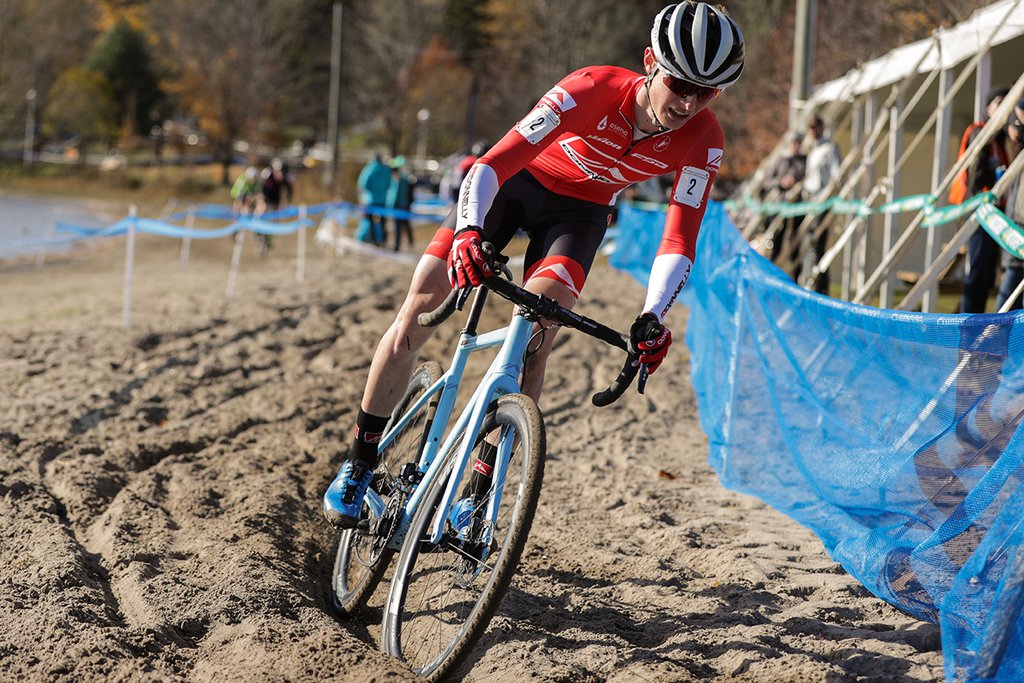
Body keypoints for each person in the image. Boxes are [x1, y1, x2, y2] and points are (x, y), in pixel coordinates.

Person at [323, 1, 745, 529]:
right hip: (513, 185)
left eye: (705, 93)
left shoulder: (704, 138)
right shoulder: (589, 89)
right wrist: (469, 233)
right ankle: (360, 462)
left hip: (578, 214)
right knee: (421, 305)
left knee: (536, 336)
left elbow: (680, 236)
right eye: (679, 84)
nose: (687, 102)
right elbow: (491, 165)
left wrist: (653, 315)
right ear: (649, 63)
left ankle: (478, 493)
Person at [958, 87, 1011, 313]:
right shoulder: (980, 133)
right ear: (988, 108)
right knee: (978, 274)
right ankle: (969, 325)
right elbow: (976, 177)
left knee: (988, 275)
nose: (1004, 107)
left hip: (997, 213)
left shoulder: (1001, 139)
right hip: (981, 211)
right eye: (999, 102)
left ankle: (976, 323)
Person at [801, 115, 842, 294]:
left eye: (815, 127)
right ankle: (809, 282)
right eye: (809, 127)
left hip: (822, 202)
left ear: (821, 127)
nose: (812, 131)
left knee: (818, 246)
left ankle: (821, 288)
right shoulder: (812, 149)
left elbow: (836, 176)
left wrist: (827, 197)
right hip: (809, 202)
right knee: (808, 244)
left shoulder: (830, 148)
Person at [995, 99, 1024, 311]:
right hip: (1015, 227)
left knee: (1006, 301)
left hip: (1020, 227)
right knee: (1007, 300)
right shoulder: (1017, 153)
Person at [763, 131, 807, 264]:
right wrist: (781, 182)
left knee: (796, 240)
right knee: (776, 238)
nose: (795, 146)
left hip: (797, 205)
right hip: (779, 205)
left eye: (797, 143)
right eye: (793, 143)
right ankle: (773, 266)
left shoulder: (805, 160)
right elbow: (767, 181)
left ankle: (794, 270)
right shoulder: (780, 159)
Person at [356, 153, 392, 245]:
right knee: (383, 220)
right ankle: (383, 239)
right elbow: (389, 184)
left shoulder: (369, 169)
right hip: (382, 199)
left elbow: (363, 184)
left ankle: (372, 239)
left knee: (370, 220)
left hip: (370, 199)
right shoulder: (386, 170)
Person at [387, 156, 415, 251]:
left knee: (401, 225)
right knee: (403, 225)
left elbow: (396, 194)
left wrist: (392, 204)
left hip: (401, 206)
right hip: (402, 205)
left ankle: (399, 245)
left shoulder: (402, 180)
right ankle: (405, 243)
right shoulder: (401, 179)